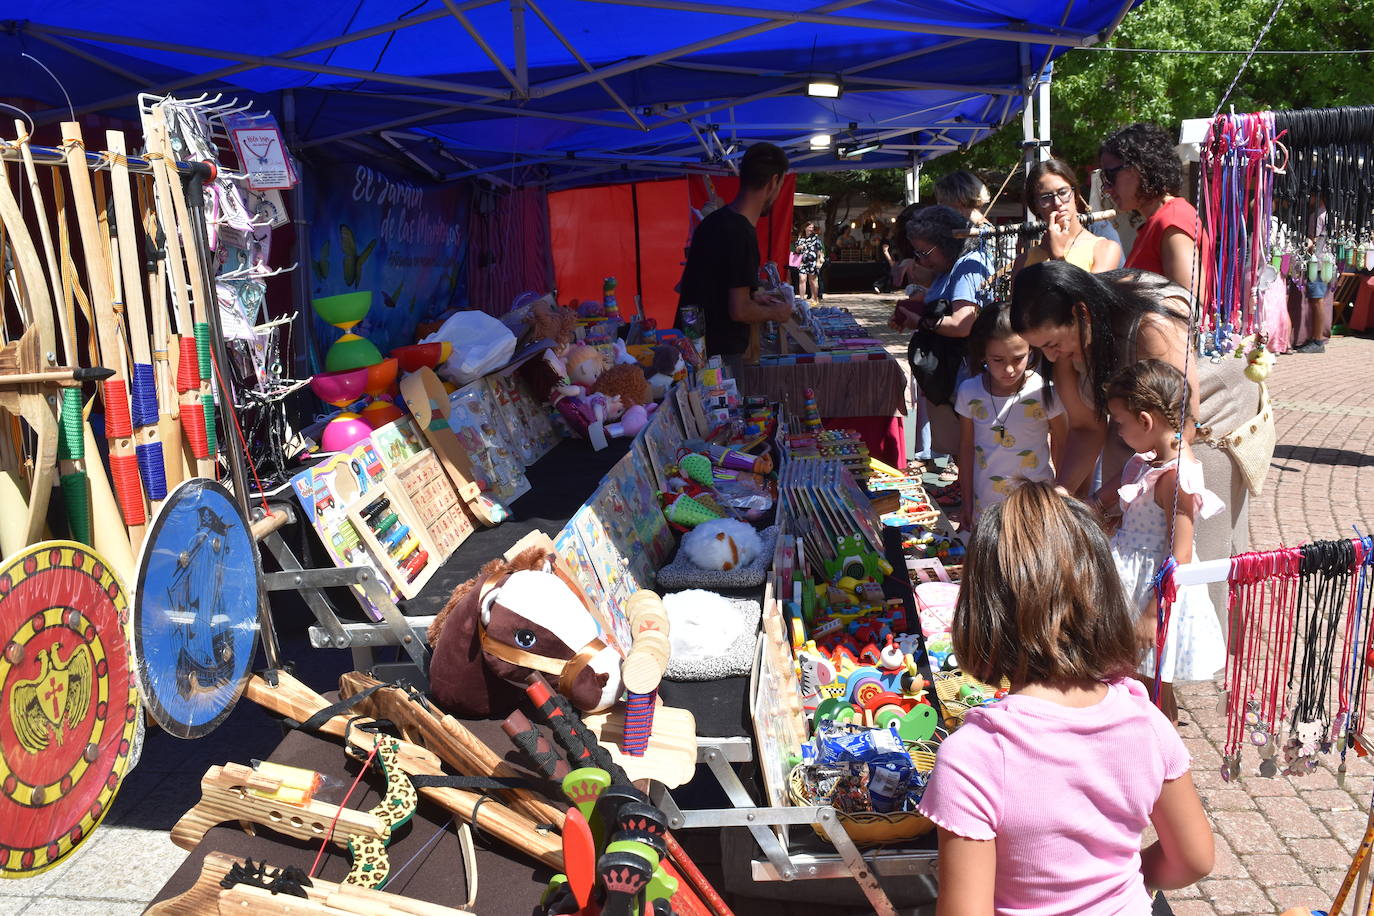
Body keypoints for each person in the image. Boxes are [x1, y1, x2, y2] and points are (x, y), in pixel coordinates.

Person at [918, 481, 1214, 914]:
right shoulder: (1145, 720)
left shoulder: (974, 755)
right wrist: (1127, 887)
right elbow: (1195, 858)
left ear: (981, 610)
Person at [1010, 261, 1256, 620]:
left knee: (1195, 553)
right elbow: (1085, 427)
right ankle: (1138, 653)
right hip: (1139, 426)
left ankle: (1187, 662)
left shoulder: (1150, 327)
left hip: (1201, 426)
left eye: (1053, 344)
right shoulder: (1067, 347)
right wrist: (1066, 495)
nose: (1050, 356)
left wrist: (1116, 492)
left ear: (1081, 314)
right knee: (1131, 541)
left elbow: (1178, 430)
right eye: (1040, 349)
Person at [1105, 360, 1227, 723]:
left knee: (1153, 687)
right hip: (1131, 582)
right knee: (1135, 680)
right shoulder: (1144, 462)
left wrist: (1151, 615)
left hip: (1154, 594)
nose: (1118, 432)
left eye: (1120, 423)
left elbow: (1181, 553)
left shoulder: (1176, 478)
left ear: (1145, 420)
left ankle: (1164, 760)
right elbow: (1117, 509)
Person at [890, 205, 992, 466]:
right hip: (950, 370)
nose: (922, 261)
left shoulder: (967, 266)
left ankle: (966, 489)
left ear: (944, 243)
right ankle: (962, 484)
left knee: (965, 440)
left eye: (925, 253)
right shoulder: (950, 267)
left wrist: (922, 322)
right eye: (917, 253)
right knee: (958, 442)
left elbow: (962, 324)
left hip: (960, 369)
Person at [676, 143, 793, 359]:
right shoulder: (741, 233)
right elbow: (739, 310)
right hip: (716, 361)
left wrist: (754, 298)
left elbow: (712, 290)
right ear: (774, 181)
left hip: (693, 351)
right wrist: (777, 312)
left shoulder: (714, 222)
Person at [955, 302, 1066, 529]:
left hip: (1035, 506)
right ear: (983, 353)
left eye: (1018, 358)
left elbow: (1063, 443)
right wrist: (965, 501)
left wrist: (1063, 492)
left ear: (1032, 349)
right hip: (985, 505)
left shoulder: (1045, 391)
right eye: (998, 360)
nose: (1009, 370)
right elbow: (966, 448)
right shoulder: (969, 391)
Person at [1099, 122, 1209, 298]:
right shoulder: (1157, 223)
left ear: (1139, 168)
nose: (1106, 188)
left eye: (1109, 175)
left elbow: (1189, 305)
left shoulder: (1173, 219)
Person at [1013, 158, 1122, 275]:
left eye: (1063, 192)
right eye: (1046, 197)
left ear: (1075, 195)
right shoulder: (1023, 262)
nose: (1057, 203)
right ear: (1035, 206)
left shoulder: (1104, 249)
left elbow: (1091, 293)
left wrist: (1058, 257)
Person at [1297, 189, 1333, 353]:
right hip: (1325, 263)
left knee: (1317, 300)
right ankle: (1316, 338)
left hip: (1317, 263)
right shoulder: (1330, 215)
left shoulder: (1318, 216)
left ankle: (1318, 340)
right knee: (1317, 300)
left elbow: (1315, 241)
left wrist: (1307, 245)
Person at [793, 221, 825, 302]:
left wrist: (819, 261)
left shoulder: (815, 237)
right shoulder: (800, 238)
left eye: (812, 228)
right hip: (802, 262)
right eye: (809, 227)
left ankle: (815, 298)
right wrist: (799, 248)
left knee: (812, 280)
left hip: (812, 262)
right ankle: (802, 299)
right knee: (802, 279)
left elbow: (819, 250)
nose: (811, 229)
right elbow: (796, 250)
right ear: (805, 228)